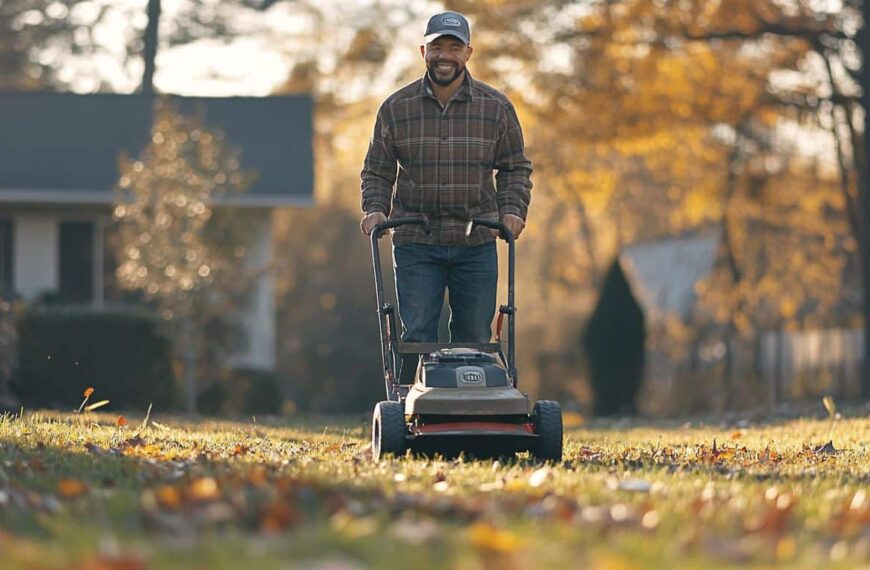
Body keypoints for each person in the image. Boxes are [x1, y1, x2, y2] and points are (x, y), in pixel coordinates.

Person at [360, 10, 532, 351]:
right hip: (415, 241)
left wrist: (511, 210)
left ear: (468, 53)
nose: (445, 56)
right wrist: (376, 210)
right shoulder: (396, 109)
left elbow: (514, 168)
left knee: (474, 337)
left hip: (477, 240)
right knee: (419, 334)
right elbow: (378, 171)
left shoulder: (496, 108)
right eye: (437, 47)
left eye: (455, 47)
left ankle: (470, 401)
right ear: (424, 52)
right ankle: (416, 400)